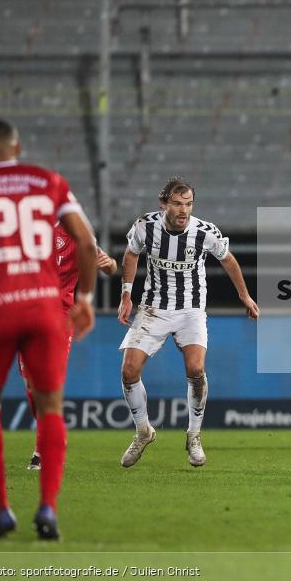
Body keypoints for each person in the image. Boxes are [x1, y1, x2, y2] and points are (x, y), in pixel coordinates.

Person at [0, 118, 97, 540]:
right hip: (46, 306)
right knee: (50, 404)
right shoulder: (49, 180)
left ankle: (0, 511)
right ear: (18, 146)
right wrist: (85, 301)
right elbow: (85, 243)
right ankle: (47, 510)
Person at [117, 177, 259, 468]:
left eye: (188, 204)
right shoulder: (146, 226)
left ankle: (194, 436)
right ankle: (143, 431)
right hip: (153, 307)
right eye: (178, 204)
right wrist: (126, 294)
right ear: (164, 204)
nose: (184, 210)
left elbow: (228, 260)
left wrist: (245, 296)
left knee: (195, 368)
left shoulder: (204, 232)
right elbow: (131, 253)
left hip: (191, 309)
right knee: (129, 370)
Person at [22, 224, 117, 470]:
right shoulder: (27, 229)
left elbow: (110, 267)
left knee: (50, 382)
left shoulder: (77, 233)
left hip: (61, 317)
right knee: (32, 385)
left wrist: (108, 264)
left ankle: (42, 450)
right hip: (28, 313)